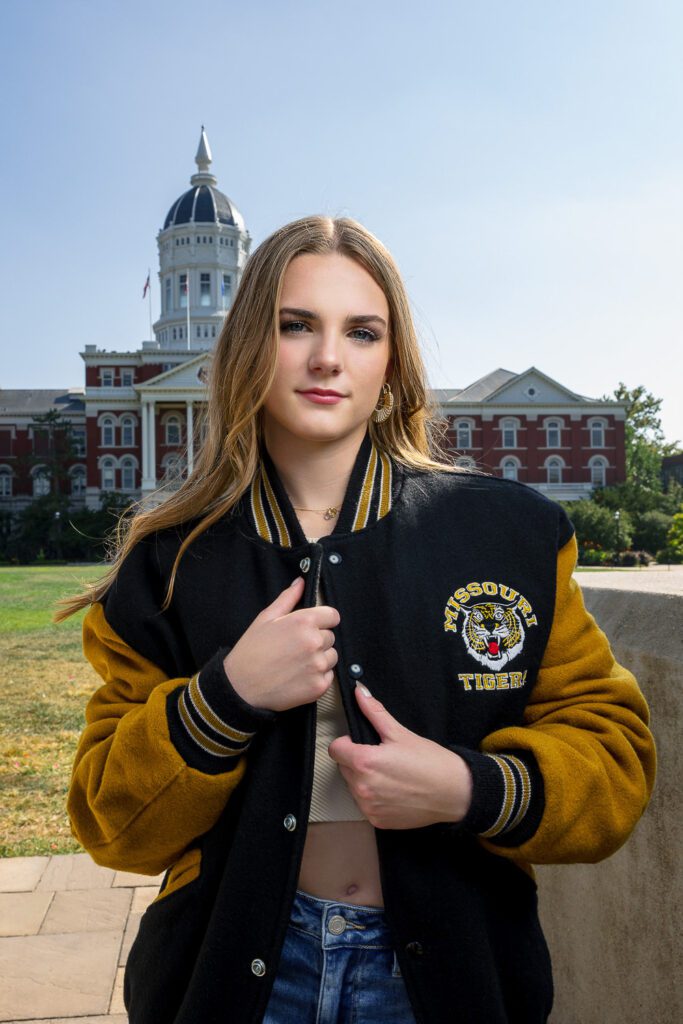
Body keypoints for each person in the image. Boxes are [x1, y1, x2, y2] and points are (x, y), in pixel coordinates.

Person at [59, 215, 656, 1024]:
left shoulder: (505, 532)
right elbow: (111, 826)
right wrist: (223, 699)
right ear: (244, 347)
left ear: (393, 361)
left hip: (450, 965)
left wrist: (466, 787)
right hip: (235, 966)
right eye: (294, 324)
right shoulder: (168, 561)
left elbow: (613, 763)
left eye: (362, 331)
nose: (327, 358)